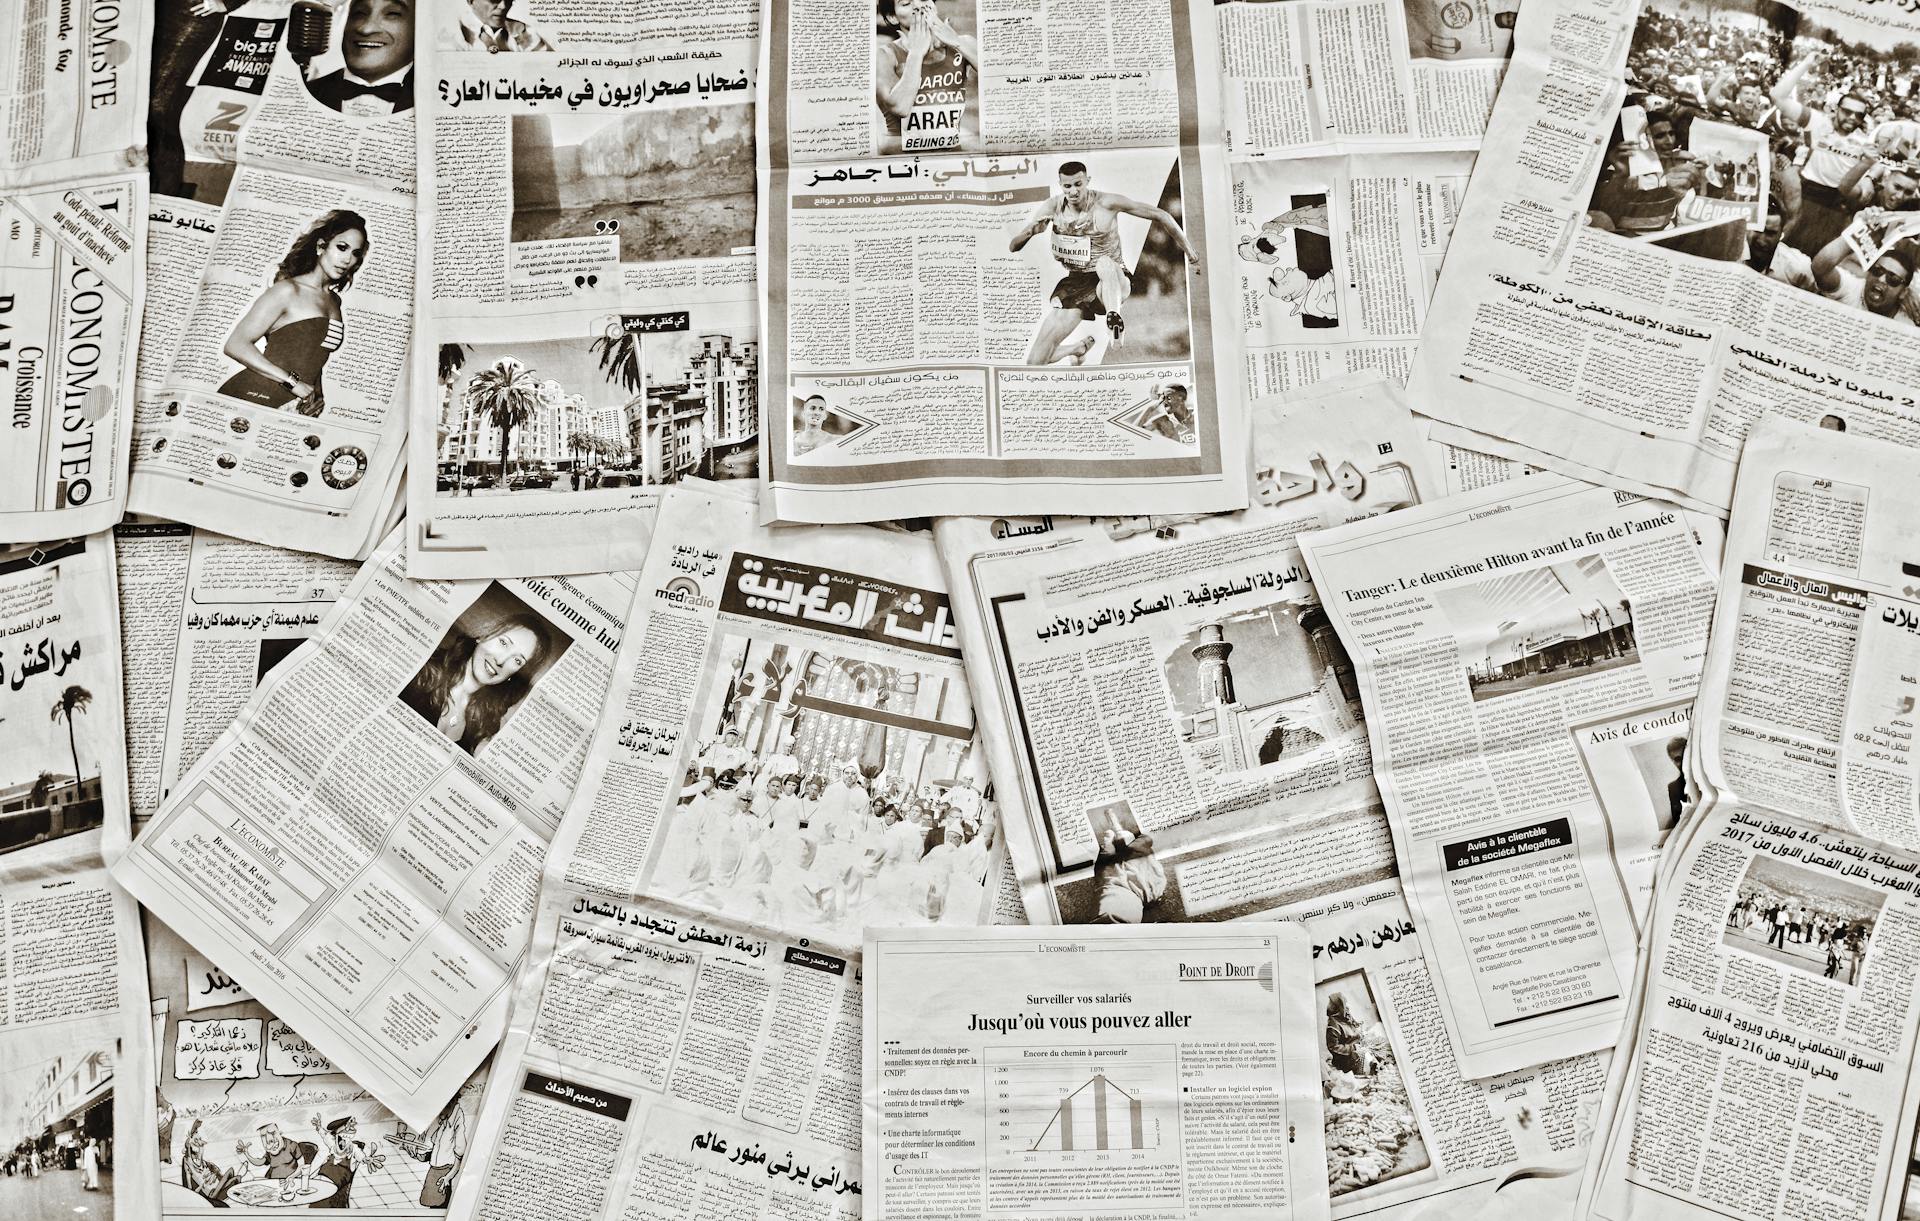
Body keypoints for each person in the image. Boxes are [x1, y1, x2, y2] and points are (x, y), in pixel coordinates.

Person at [1011, 160, 1201, 362]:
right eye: (1067, 186)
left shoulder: (1107, 203)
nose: (1073, 191)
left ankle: (1114, 320)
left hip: (1112, 281)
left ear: (1087, 181)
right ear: (1061, 185)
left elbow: (1161, 215)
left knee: (1104, 263)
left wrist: (1191, 255)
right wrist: (1030, 233)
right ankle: (1076, 349)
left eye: (1078, 184)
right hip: (1076, 284)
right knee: (1035, 361)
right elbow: (1014, 246)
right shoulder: (1053, 206)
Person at [219, 211, 367, 415]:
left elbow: (314, 355)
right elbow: (235, 345)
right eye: (342, 248)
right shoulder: (287, 291)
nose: (347, 259)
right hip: (253, 396)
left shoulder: (334, 301)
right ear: (321, 246)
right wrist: (292, 382)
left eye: (356, 253)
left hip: (291, 406)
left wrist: (317, 394)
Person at [1772, 55, 1879, 254]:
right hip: (1805, 195)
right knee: (1781, 252)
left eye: (1859, 115)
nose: (1852, 117)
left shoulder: (1865, 141)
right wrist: (1806, 63)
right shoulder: (1818, 122)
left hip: (1836, 205)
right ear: (1836, 109)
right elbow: (1778, 96)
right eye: (1847, 111)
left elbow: (1876, 167)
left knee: (1814, 260)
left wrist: (1870, 177)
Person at [399, 614, 549, 751]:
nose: (500, 660)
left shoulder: (482, 723)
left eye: (517, 660)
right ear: (484, 635)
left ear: (516, 674)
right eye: (503, 642)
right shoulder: (423, 669)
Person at [874, 0, 978, 154]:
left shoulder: (963, 44)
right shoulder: (884, 55)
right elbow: (900, 107)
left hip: (950, 158)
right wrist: (916, 53)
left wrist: (957, 42)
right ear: (892, 17)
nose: (918, 5)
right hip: (901, 160)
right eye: (906, 3)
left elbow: (1001, 79)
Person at [303, 0, 416, 116]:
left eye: (392, 14)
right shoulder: (305, 92)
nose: (366, 29)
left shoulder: (428, 99)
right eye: (359, 13)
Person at [1812, 233, 1920, 321]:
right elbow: (1820, 268)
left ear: (1903, 292)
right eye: (1877, 270)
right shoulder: (1853, 288)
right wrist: (1857, 230)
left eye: (1893, 279)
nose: (1881, 279)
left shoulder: (1905, 323)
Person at [309, 1114, 383, 1208]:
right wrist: (319, 1127)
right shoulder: (333, 1145)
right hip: (319, 1181)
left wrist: (365, 1159)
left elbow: (360, 1156)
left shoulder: (353, 1149)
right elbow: (325, 1135)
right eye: (340, 1139)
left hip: (333, 1187)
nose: (342, 1143)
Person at [418, 1099, 468, 1207]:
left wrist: (448, 1177)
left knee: (441, 1205)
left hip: (445, 1172)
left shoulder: (457, 1120)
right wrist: (416, 1154)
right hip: (434, 1171)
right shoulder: (443, 1120)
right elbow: (433, 1149)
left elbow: (460, 1157)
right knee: (431, 1204)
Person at [459, 0, 553, 52]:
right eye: (494, 0)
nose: (503, 6)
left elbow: (548, 67)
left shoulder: (524, 31)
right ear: (470, 1)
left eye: (509, 0)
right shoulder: (455, 35)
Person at [237, 1122, 318, 1181]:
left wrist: (292, 1177)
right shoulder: (270, 1152)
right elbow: (260, 1162)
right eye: (263, 1136)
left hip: (291, 1181)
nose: (270, 1143)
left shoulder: (291, 1145)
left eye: (272, 1133)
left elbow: (302, 1165)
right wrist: (246, 1154)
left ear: (280, 1133)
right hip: (273, 1182)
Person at [1325, 993, 1377, 1076]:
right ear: (1339, 1006)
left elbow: (1354, 1030)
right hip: (1344, 1059)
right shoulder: (1333, 1026)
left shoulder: (1345, 1017)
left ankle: (1374, 1068)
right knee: (1364, 1054)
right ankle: (1367, 1072)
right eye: (1345, 1004)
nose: (1347, 1006)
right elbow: (1333, 1047)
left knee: (1374, 1047)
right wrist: (1353, 1048)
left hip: (1356, 1049)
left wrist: (1361, 1035)